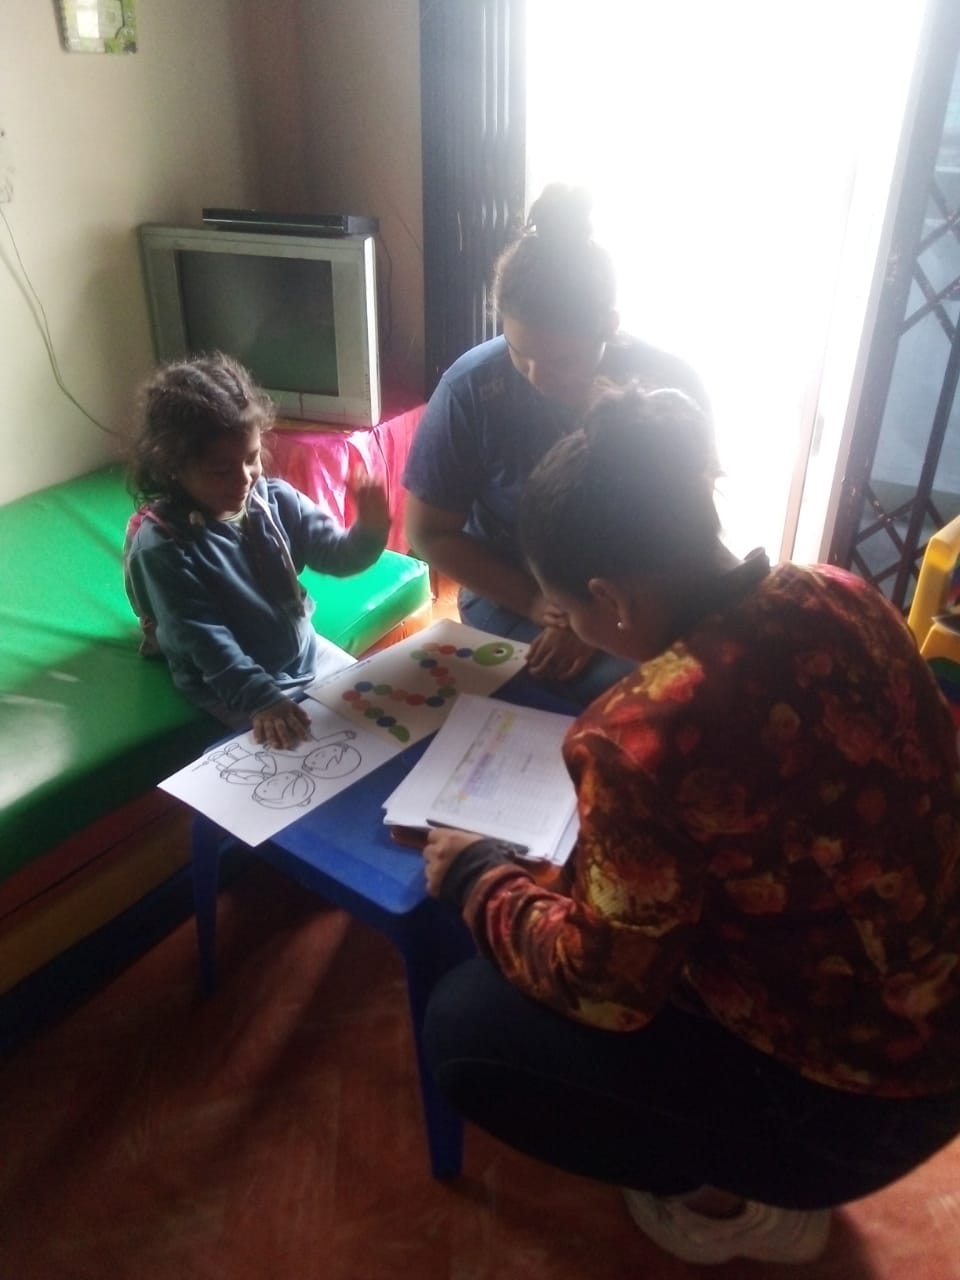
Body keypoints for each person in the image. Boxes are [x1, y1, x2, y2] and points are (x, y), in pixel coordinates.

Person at [419, 384, 960, 1266]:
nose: (570, 627)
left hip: (857, 1103)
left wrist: (480, 876)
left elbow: (604, 988)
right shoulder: (842, 592)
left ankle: (730, 1205)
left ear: (610, 599)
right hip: (937, 1017)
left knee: (465, 1031)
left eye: (567, 610)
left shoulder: (642, 734)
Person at [403, 183, 711, 705]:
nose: (536, 377)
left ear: (609, 327)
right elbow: (428, 531)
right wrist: (540, 604)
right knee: (578, 698)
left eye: (562, 361)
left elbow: (690, 533)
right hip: (516, 587)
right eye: (518, 352)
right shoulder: (472, 388)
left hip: (642, 589)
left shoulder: (666, 385)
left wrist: (601, 622)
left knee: (687, 689)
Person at [123, 352, 390, 749]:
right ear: (172, 467)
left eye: (251, 459)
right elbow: (205, 642)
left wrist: (370, 530)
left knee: (380, 723)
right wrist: (262, 699)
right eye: (221, 470)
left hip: (302, 655)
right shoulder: (163, 548)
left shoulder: (275, 499)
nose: (244, 479)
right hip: (230, 683)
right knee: (313, 760)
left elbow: (338, 555)